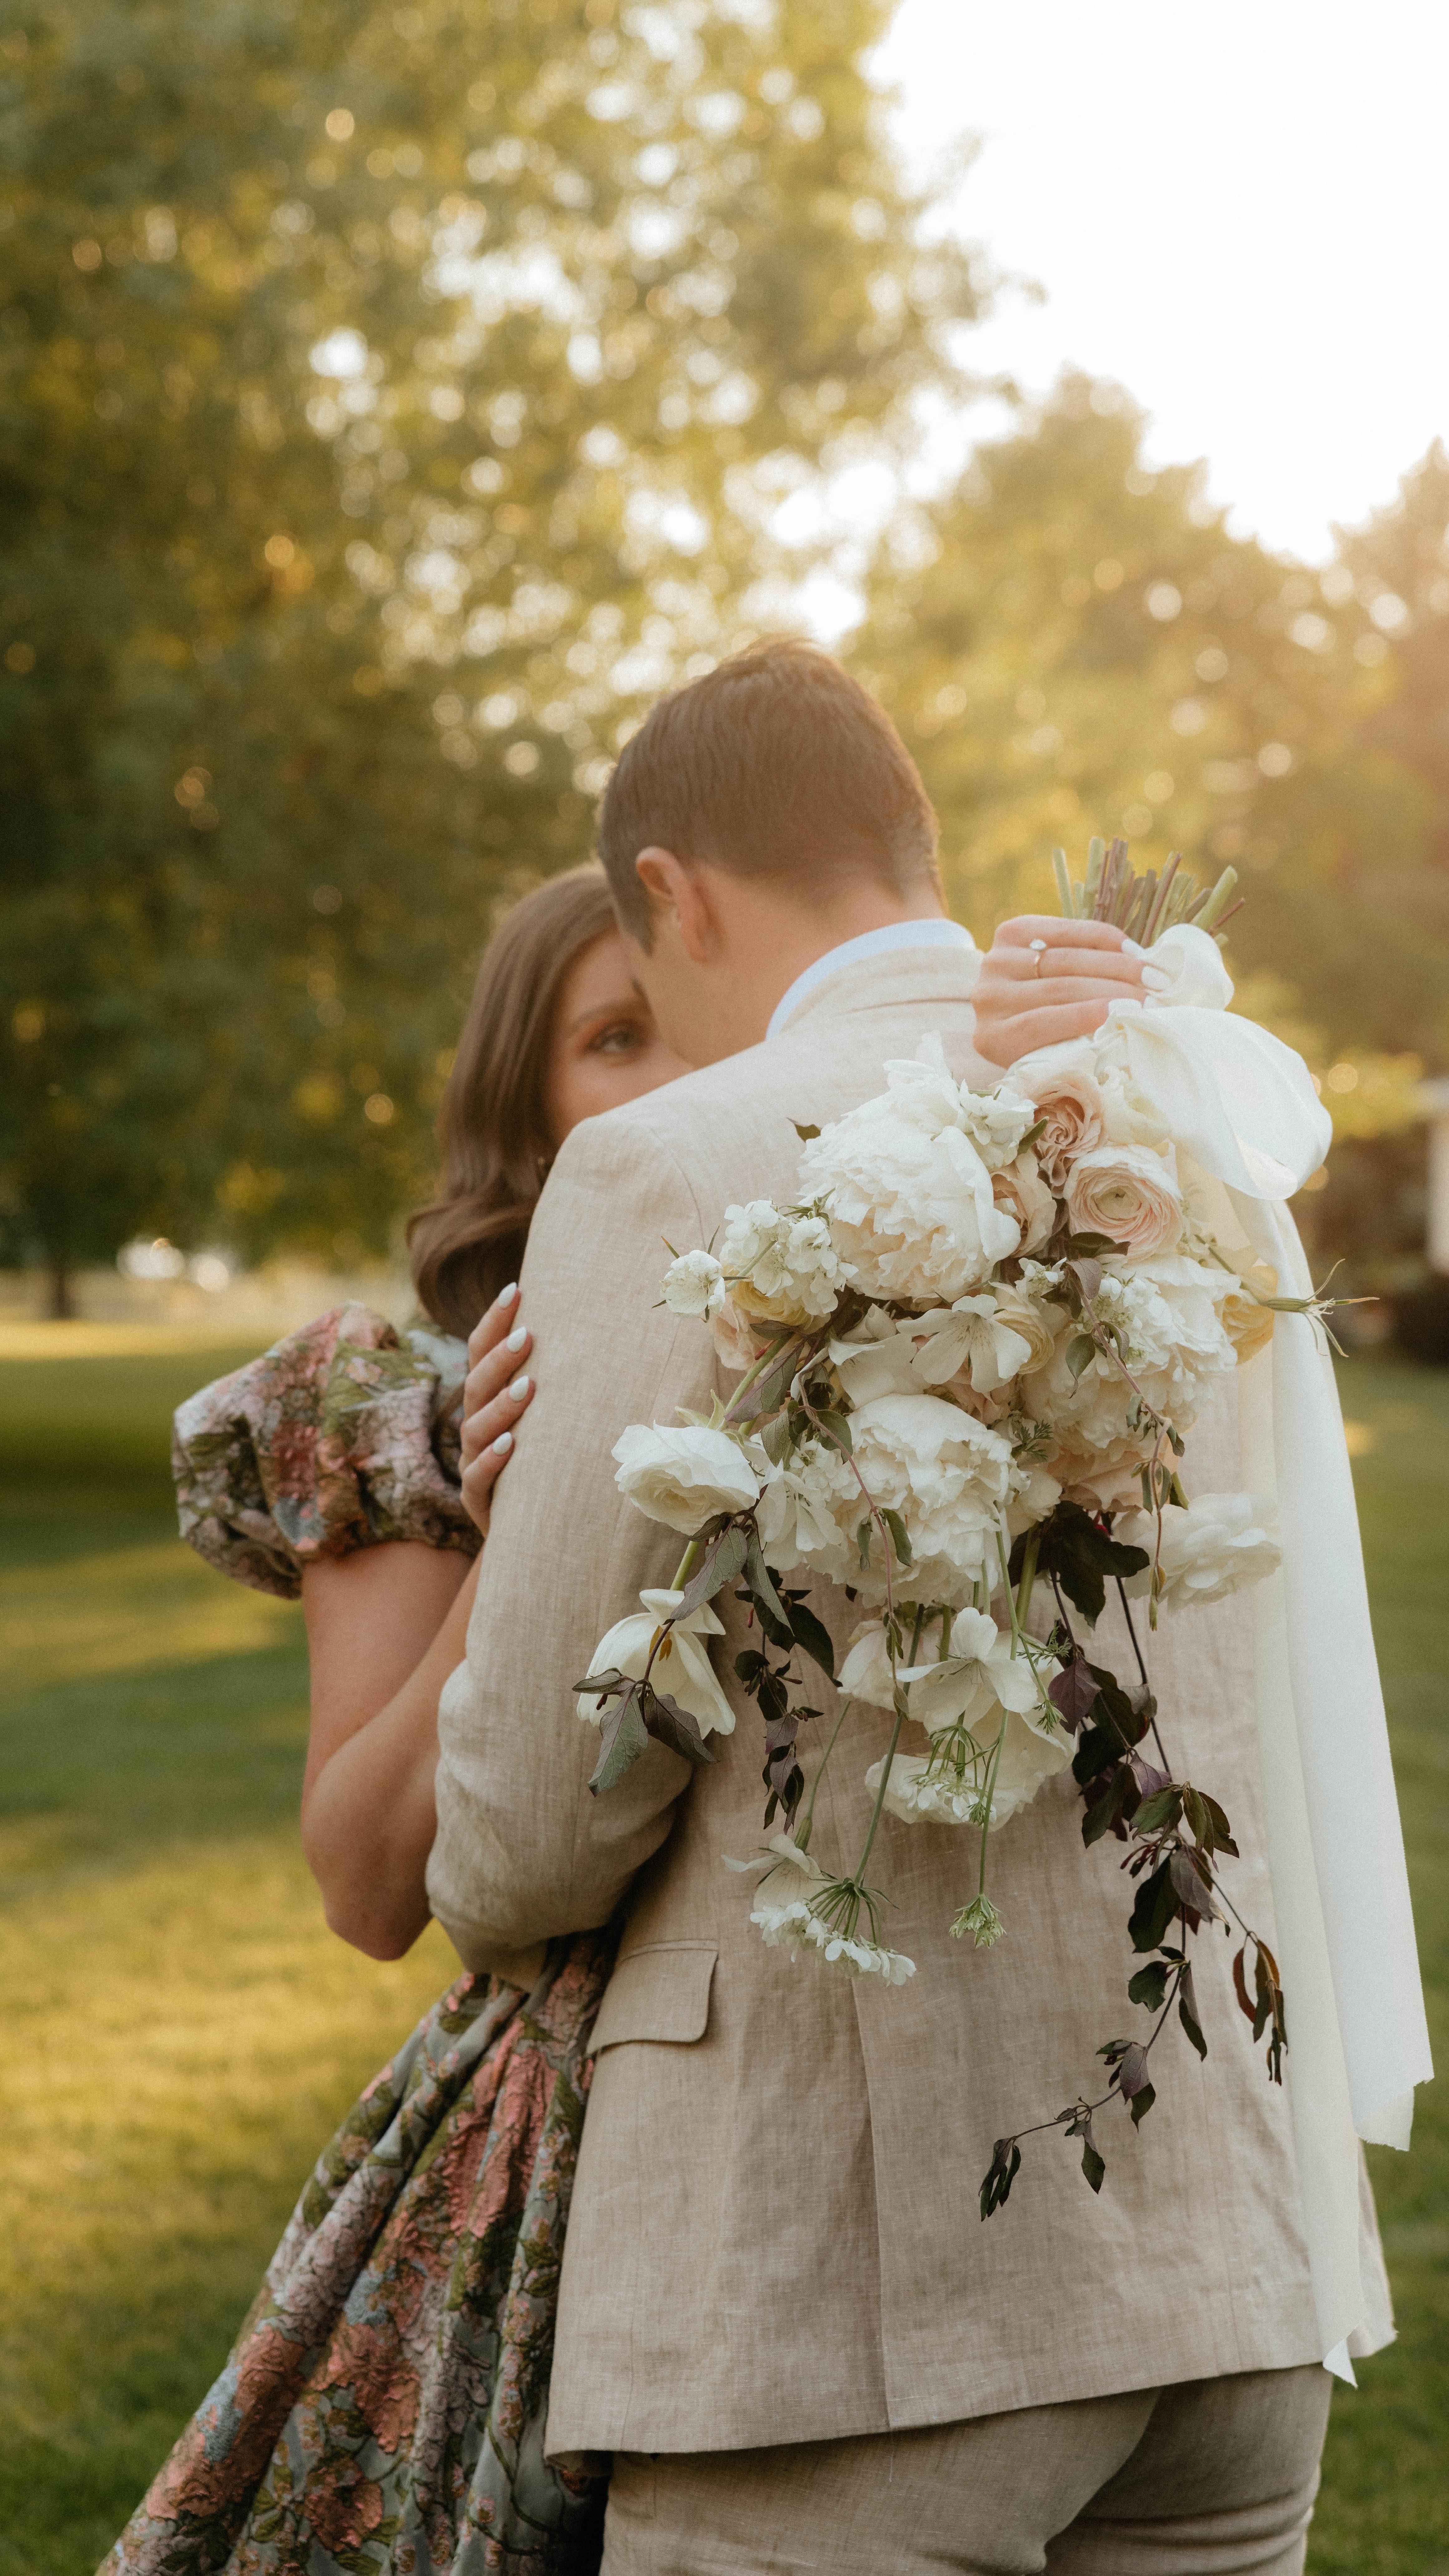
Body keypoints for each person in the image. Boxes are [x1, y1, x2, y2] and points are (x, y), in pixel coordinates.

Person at [429, 639, 1393, 2576]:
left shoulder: (662, 1166)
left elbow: (534, 1819)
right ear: (910, 844)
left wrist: (476, 1864)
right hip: (1221, 2266)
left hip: (844, 2304)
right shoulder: (1173, 1129)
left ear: (669, 894)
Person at [104, 864, 685, 2576]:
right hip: (557, 2128)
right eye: (614, 1038)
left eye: (689, 1022)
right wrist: (521, 1546)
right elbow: (364, 1885)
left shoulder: (863, 1324)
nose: (672, 1074)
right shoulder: (406, 1408)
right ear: (530, 1115)